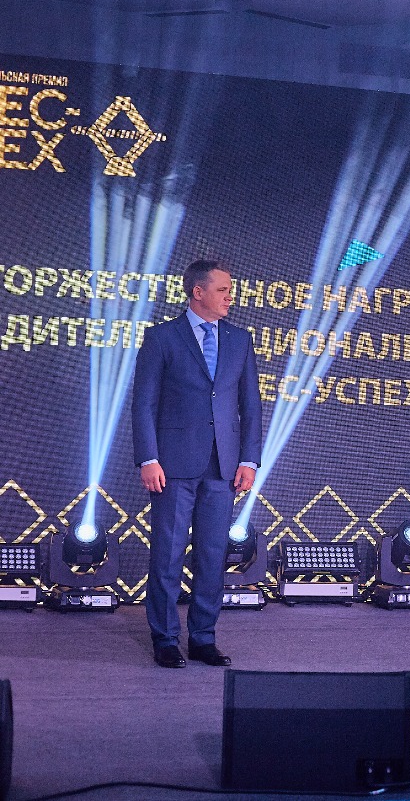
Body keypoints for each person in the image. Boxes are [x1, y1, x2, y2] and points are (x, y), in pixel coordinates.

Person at [132, 259, 262, 668]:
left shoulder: (240, 340)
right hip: (172, 465)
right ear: (198, 291)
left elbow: (251, 406)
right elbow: (144, 404)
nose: (230, 297)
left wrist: (249, 459)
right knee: (168, 555)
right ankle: (165, 639)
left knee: (212, 555)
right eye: (223, 290)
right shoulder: (161, 337)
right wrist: (148, 458)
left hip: (223, 466)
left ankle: (203, 638)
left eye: (230, 290)